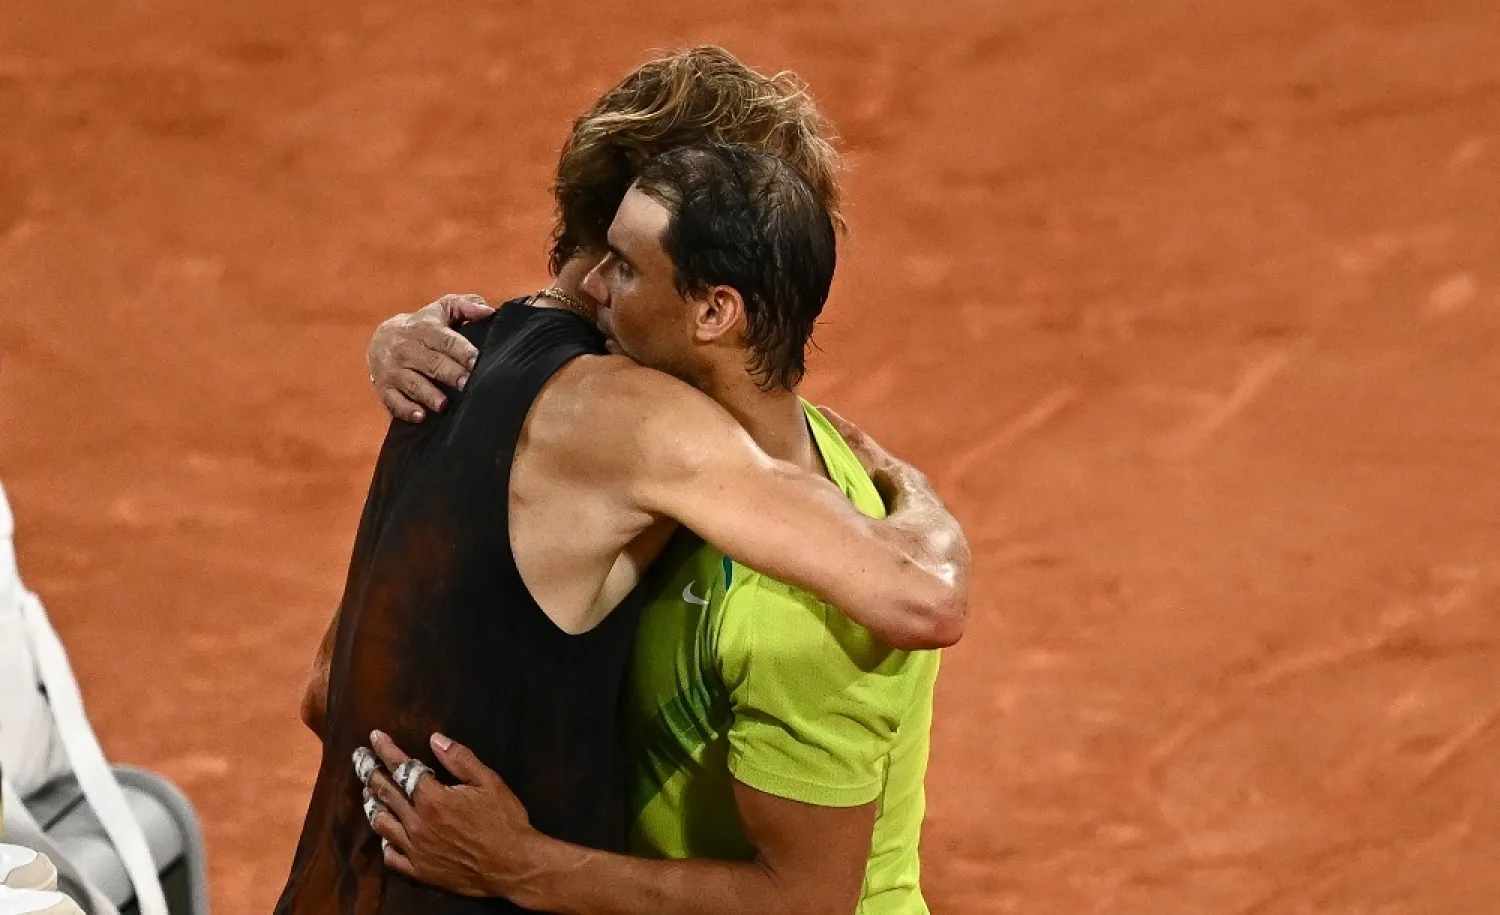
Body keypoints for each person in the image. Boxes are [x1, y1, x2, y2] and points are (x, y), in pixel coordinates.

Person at [279, 52, 968, 915]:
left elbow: (324, 687)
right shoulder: (649, 441)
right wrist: (923, 500)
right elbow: (928, 593)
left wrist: (525, 862)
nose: (599, 287)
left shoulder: (470, 364)